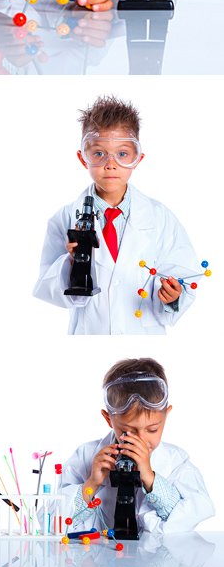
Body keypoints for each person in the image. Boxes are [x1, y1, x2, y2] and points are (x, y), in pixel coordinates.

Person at [33, 96, 204, 334]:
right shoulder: (64, 218)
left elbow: (184, 275)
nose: (110, 164)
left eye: (122, 154)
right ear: (84, 158)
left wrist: (173, 297)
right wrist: (72, 262)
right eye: (99, 154)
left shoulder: (160, 218)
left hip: (143, 334)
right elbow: (47, 286)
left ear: (138, 159)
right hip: (90, 332)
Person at [60, 358, 214, 536]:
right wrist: (92, 483)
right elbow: (56, 520)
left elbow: (192, 514)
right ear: (109, 419)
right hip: (98, 557)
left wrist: (150, 477)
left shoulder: (177, 462)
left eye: (152, 429)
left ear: (166, 415)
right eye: (128, 431)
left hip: (153, 559)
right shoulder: (85, 456)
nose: (141, 440)